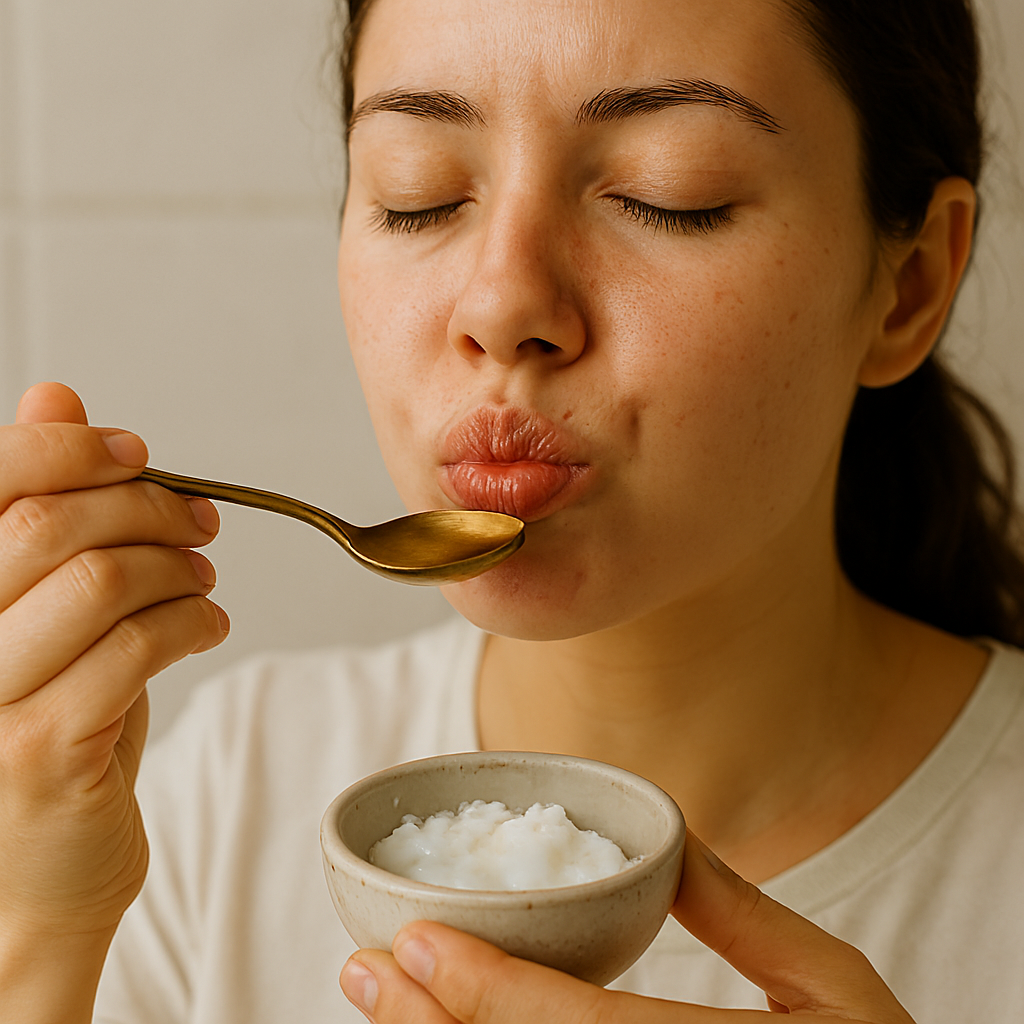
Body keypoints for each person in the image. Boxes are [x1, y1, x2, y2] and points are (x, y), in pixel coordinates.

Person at [1, 0, 1023, 1021]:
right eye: (421, 195)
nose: (500, 304)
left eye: (665, 194)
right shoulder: (219, 798)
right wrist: (40, 927)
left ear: (909, 284)